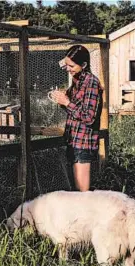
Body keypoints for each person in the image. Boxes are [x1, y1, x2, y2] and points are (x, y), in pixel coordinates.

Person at [50, 45, 103, 192]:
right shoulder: (77, 80)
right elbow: (73, 109)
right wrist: (62, 100)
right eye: (66, 65)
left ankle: (86, 215)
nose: (68, 68)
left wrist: (67, 102)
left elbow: (89, 117)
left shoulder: (91, 82)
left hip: (83, 142)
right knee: (76, 191)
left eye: (71, 65)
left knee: (83, 193)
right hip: (73, 139)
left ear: (84, 65)